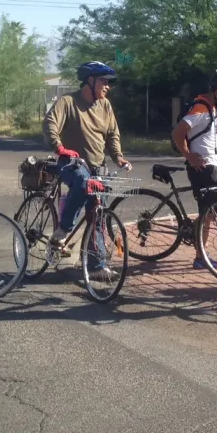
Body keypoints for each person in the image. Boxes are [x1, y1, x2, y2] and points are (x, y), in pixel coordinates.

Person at [42, 61, 130, 274]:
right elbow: (50, 123)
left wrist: (118, 157)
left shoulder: (105, 105)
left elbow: (112, 134)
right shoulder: (68, 102)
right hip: (71, 163)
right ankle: (62, 232)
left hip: (97, 166)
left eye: (109, 83)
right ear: (89, 81)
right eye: (103, 82)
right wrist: (60, 147)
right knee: (83, 183)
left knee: (98, 214)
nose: (107, 87)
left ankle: (97, 264)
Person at [172, 69, 217, 270]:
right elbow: (178, 133)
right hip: (202, 168)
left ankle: (199, 233)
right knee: (207, 212)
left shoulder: (209, 109)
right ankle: (200, 257)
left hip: (212, 166)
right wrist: (189, 155)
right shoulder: (201, 109)